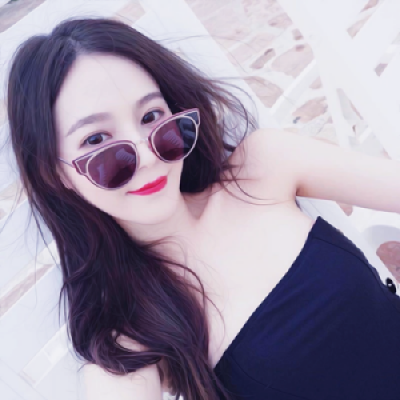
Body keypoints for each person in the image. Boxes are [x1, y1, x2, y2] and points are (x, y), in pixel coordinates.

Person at [5, 16, 400, 400]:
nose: (148, 157)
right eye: (97, 141)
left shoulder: (261, 167)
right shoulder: (129, 334)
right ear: (54, 172)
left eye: (151, 117)